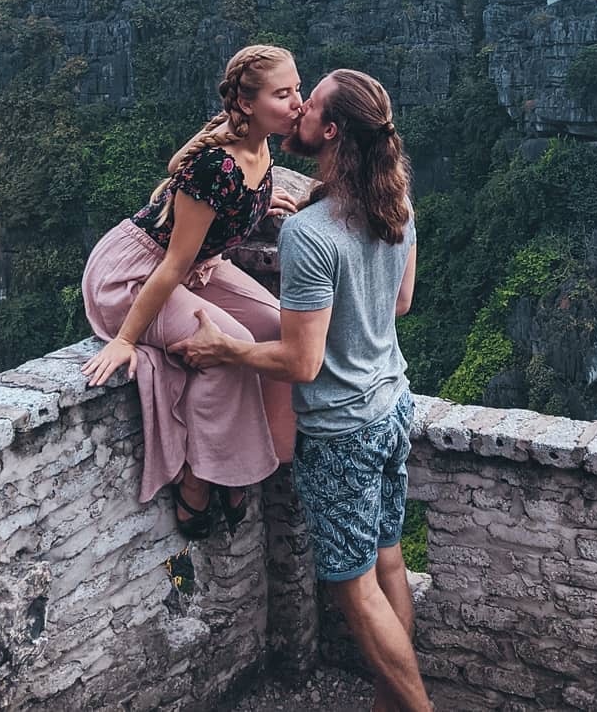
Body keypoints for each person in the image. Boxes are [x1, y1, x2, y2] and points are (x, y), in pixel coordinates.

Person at [170, 70, 429, 712]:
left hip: (342, 432)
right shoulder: (394, 203)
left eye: (309, 104)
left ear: (331, 130)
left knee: (354, 588)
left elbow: (300, 362)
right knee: (388, 560)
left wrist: (226, 349)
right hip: (393, 405)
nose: (298, 109)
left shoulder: (310, 234)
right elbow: (400, 302)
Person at [80, 45, 302, 539]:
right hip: (134, 276)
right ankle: (199, 477)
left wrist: (258, 204)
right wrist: (125, 340)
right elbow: (171, 265)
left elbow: (194, 185)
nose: (297, 103)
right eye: (282, 94)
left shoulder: (257, 144)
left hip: (194, 267)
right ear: (246, 103)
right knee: (227, 344)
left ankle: (248, 455)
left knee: (275, 326)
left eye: (298, 89)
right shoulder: (215, 169)